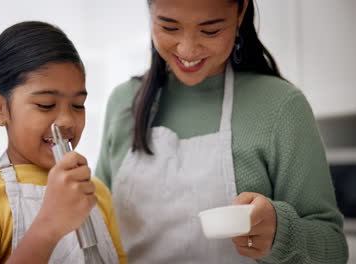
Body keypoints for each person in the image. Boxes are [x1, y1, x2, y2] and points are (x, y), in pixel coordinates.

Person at [95, 0, 348, 263]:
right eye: (169, 27)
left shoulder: (281, 106)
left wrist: (280, 233)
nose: (188, 48)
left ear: (240, 12)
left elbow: (334, 249)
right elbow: (97, 225)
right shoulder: (123, 102)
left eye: (210, 31)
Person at [0, 21, 126, 264]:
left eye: (78, 105)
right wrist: (49, 225)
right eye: (46, 105)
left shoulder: (97, 192)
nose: (66, 121)